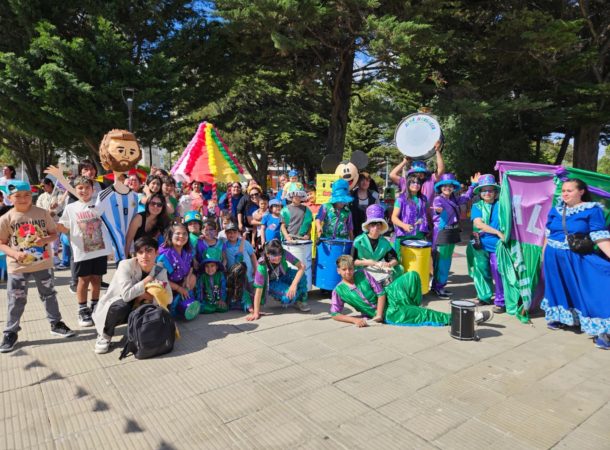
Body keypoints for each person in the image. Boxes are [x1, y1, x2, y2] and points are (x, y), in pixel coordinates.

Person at [0, 180, 75, 353]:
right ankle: (10, 332)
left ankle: (56, 323)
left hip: (43, 264)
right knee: (16, 300)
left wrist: (45, 240)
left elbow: (53, 234)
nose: (23, 199)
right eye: (17, 196)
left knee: (49, 295)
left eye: (27, 195)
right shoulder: (6, 218)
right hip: (18, 267)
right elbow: (2, 243)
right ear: (10, 198)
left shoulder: (42, 213)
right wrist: (14, 254)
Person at [541, 178, 610, 349]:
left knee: (595, 286)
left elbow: (599, 236)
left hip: (577, 256)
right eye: (563, 190)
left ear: (581, 192)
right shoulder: (556, 210)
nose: (564, 194)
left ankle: (604, 330)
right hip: (553, 256)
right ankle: (562, 318)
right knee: (559, 288)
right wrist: (543, 257)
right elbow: (548, 234)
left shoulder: (592, 210)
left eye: (569, 191)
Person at [330, 256, 491, 327]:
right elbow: (335, 314)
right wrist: (355, 320)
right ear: (338, 271)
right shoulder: (339, 291)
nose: (348, 272)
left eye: (350, 269)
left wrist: (377, 315)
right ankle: (465, 319)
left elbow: (380, 293)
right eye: (344, 270)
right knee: (424, 314)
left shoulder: (362, 274)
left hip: (389, 295)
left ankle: (412, 307)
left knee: (413, 276)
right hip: (389, 311)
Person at [91, 236, 172, 354]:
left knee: (162, 305)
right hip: (120, 303)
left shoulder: (160, 270)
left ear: (156, 253)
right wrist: (147, 280)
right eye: (140, 252)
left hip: (142, 303)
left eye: (149, 251)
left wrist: (149, 297)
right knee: (121, 306)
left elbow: (169, 298)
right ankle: (105, 334)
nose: (144, 256)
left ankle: (146, 331)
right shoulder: (125, 265)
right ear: (135, 254)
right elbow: (126, 295)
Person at [57, 176, 113, 327]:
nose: (84, 190)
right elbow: (64, 227)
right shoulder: (71, 208)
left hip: (100, 250)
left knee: (96, 279)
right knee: (83, 280)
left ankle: (94, 306)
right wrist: (55, 224)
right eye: (80, 188)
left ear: (93, 190)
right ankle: (82, 309)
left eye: (87, 187)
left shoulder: (99, 205)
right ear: (75, 190)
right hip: (81, 252)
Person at [430, 173, 479, 299]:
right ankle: (438, 287)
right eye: (445, 186)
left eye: (450, 186)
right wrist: (437, 210)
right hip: (442, 233)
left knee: (446, 261)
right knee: (441, 261)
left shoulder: (454, 199)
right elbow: (436, 209)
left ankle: (440, 286)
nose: (448, 188)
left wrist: (473, 185)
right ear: (440, 187)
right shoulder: (438, 199)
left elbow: (467, 197)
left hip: (452, 232)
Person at [466, 174, 505, 313]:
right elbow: (478, 224)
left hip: (497, 245)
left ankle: (501, 301)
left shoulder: (502, 205)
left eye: (490, 190)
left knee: (498, 271)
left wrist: (500, 235)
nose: (487, 193)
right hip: (479, 243)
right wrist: (497, 232)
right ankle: (485, 296)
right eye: (484, 190)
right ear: (480, 193)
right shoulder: (477, 206)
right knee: (480, 270)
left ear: (495, 192)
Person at [247, 239, 310, 320]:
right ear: (267, 254)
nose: (277, 258)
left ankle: (301, 301)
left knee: (302, 276)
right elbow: (258, 290)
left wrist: (293, 285)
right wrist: (256, 312)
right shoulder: (261, 266)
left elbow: (302, 266)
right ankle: (282, 295)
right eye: (273, 257)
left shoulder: (284, 253)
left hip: (285, 275)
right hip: (271, 283)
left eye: (279, 256)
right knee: (289, 296)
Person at [352, 204, 402, 283]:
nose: (376, 228)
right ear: (368, 226)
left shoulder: (385, 243)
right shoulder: (358, 241)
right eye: (372, 225)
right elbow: (352, 261)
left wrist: (389, 264)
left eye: (378, 224)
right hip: (360, 271)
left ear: (381, 226)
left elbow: (395, 259)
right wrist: (368, 262)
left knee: (400, 268)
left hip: (377, 270)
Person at [389, 140, 445, 205]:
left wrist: (437, 151)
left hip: (426, 214)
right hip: (408, 214)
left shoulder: (430, 180)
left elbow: (441, 170)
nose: (418, 174)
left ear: (424, 174)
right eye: (415, 173)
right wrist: (404, 162)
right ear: (411, 174)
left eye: (421, 172)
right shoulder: (405, 182)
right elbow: (392, 175)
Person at [156, 222, 196, 300]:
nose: (181, 236)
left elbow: (191, 266)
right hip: (165, 285)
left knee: (192, 278)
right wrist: (178, 288)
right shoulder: (164, 254)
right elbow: (159, 278)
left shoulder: (187, 251)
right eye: (178, 233)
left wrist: (187, 279)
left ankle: (182, 299)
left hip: (181, 282)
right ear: (170, 236)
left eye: (185, 234)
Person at [124, 193, 170, 257]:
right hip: (137, 255)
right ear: (148, 204)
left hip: (154, 257)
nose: (155, 206)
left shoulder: (164, 221)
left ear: (163, 207)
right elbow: (128, 240)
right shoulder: (139, 218)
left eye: (159, 205)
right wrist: (124, 259)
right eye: (152, 203)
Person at [391, 172, 429, 249]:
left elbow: (426, 215)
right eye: (413, 182)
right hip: (403, 235)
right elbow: (394, 218)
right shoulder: (401, 199)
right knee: (402, 259)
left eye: (418, 183)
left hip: (419, 235)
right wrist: (404, 225)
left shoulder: (424, 198)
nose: (416, 184)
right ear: (408, 184)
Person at [350, 172, 380, 238]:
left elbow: (378, 214)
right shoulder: (351, 195)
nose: (365, 182)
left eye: (367, 180)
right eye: (362, 180)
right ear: (358, 181)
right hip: (353, 230)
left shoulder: (374, 195)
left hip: (369, 231)